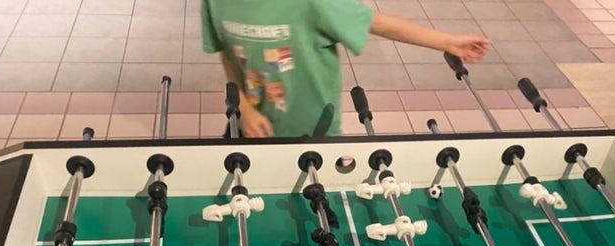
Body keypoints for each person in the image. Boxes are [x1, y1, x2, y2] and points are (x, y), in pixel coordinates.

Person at [201, 0, 489, 138]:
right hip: (249, 127)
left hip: (314, 131)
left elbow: (376, 23)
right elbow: (228, 54)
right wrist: (245, 110)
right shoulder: (214, 2)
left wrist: (449, 42)